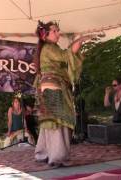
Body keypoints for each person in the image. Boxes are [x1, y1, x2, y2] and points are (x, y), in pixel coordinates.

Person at [34, 21, 94, 166]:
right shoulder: (49, 48)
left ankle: (43, 153)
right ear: (46, 34)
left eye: (58, 30)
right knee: (58, 121)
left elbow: (67, 59)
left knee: (50, 121)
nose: (58, 33)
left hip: (50, 89)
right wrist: (80, 40)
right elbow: (66, 55)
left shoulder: (50, 48)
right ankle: (57, 157)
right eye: (55, 31)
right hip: (53, 88)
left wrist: (77, 50)